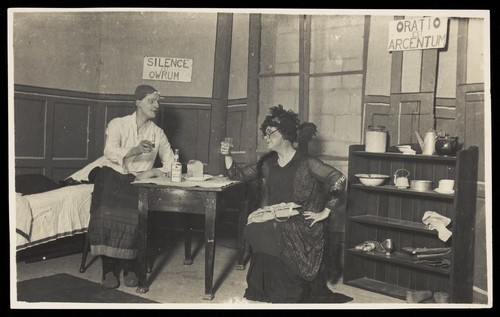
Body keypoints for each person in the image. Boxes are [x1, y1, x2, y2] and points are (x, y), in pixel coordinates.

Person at [220, 105, 350, 303]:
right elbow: (238, 175)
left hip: (301, 222)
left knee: (274, 228)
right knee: (256, 227)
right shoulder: (267, 163)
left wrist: (326, 211)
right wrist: (227, 154)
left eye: (270, 133)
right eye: (265, 133)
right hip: (276, 217)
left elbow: (339, 179)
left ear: (285, 134)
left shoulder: (307, 162)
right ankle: (265, 288)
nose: (266, 137)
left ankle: (288, 291)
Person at [87, 84, 175, 289]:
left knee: (137, 212)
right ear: (137, 103)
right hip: (113, 174)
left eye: (158, 102)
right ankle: (108, 269)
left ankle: (131, 266)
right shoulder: (118, 124)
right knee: (106, 209)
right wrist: (135, 150)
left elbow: (171, 163)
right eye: (151, 101)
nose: (156, 106)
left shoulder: (158, 133)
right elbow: (110, 151)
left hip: (139, 180)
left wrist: (154, 172)